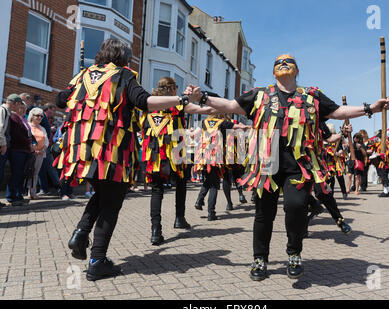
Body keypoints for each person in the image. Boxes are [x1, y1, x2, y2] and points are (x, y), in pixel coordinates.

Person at [194, 53, 389, 281]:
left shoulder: (311, 96)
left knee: (296, 207)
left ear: (297, 71)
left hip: (299, 165)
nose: (284, 63)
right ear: (274, 71)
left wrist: (371, 109)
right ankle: (260, 258)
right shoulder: (260, 95)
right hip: (267, 163)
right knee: (263, 214)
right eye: (279, 62)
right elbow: (229, 105)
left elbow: (338, 112)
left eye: (289, 61)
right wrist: (203, 97)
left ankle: (294, 252)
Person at [56, 39, 205, 281]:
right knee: (111, 203)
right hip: (111, 152)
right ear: (123, 58)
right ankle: (96, 261)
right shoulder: (123, 76)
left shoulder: (83, 75)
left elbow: (61, 100)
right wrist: (182, 100)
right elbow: (144, 102)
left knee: (102, 195)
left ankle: (81, 234)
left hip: (83, 151)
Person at [140, 77, 217, 246]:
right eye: (176, 87)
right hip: (176, 151)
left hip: (154, 153)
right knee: (181, 182)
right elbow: (199, 110)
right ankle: (179, 218)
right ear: (172, 88)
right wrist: (215, 107)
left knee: (157, 189)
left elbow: (141, 127)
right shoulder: (179, 104)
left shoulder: (149, 103)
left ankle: (156, 231)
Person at [193, 114, 250, 220]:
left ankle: (199, 200)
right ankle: (211, 213)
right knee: (214, 185)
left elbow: (193, 135)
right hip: (215, 159)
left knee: (208, 181)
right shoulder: (223, 123)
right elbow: (239, 127)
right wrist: (248, 127)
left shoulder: (204, 122)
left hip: (203, 158)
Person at [6, 97, 33, 206]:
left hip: (25, 150)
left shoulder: (23, 119)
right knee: (16, 174)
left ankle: (18, 195)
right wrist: (28, 143)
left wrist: (32, 143)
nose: (23, 110)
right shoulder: (13, 117)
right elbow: (16, 134)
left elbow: (29, 134)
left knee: (21, 174)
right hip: (17, 150)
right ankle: (11, 197)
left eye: (25, 108)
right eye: (21, 108)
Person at [27, 107, 49, 200]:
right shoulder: (27, 125)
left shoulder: (42, 128)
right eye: (37, 115)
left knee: (35, 174)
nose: (40, 118)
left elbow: (46, 141)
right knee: (27, 173)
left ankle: (32, 192)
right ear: (32, 116)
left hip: (40, 154)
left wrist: (42, 149)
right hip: (29, 153)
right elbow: (27, 139)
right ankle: (21, 192)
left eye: (41, 116)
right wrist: (33, 150)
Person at [370, 132, 389, 197]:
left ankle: (386, 191)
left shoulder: (388, 143)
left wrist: (381, 155)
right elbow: (374, 149)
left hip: (385, 162)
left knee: (384, 176)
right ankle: (385, 190)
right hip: (379, 162)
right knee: (382, 176)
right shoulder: (379, 143)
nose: (378, 138)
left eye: (378, 137)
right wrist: (373, 144)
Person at [0, 95, 14, 207]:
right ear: (14, 103)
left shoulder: (6, 112)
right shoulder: (2, 111)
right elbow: (0, 129)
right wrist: (3, 144)